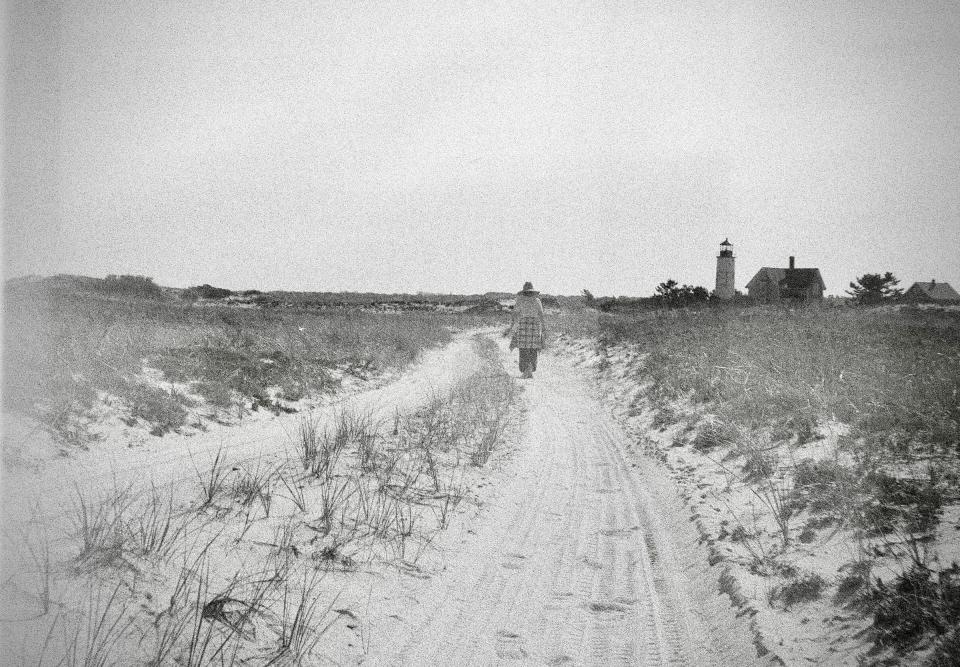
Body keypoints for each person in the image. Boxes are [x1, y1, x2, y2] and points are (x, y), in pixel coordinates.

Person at [509, 281, 545, 378]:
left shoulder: (520, 300)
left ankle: (525, 369)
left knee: (524, 348)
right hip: (535, 326)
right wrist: (543, 328)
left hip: (523, 325)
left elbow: (515, 313)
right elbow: (541, 315)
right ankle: (530, 369)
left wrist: (512, 325)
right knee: (533, 348)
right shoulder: (537, 300)